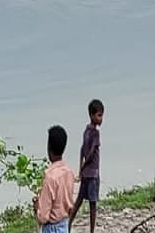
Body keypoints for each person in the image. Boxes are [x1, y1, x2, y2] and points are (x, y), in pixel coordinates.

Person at [69, 100, 104, 233]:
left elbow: (82, 150)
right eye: (99, 115)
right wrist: (83, 165)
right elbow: (90, 153)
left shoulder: (86, 131)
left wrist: (81, 168)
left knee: (79, 200)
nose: (101, 119)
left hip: (86, 173)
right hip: (93, 173)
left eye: (102, 115)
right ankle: (92, 230)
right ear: (91, 115)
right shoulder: (95, 133)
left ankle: (68, 224)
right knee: (92, 204)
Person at [35, 126, 74, 233]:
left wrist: (37, 207)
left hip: (51, 228)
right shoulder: (69, 173)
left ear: (49, 147)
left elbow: (43, 217)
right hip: (64, 224)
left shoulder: (50, 177)